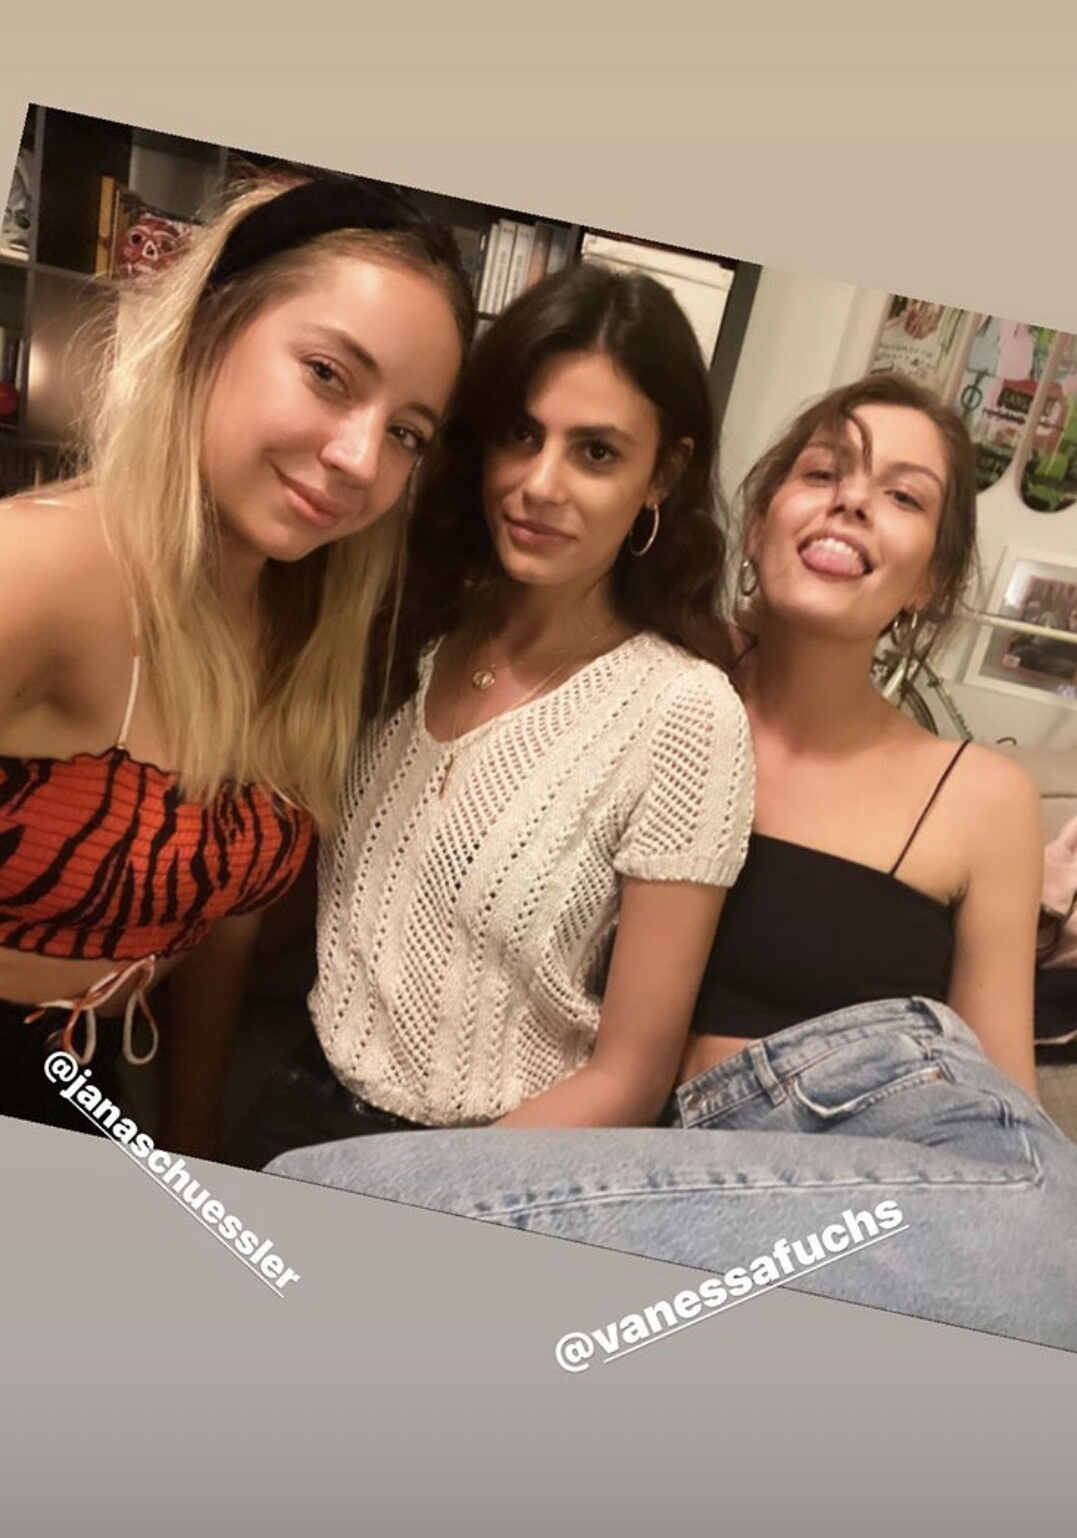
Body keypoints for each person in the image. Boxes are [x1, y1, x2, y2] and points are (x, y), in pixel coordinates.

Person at [268, 374, 1077, 1353]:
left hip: (860, 1193)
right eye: (822, 472)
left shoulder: (980, 794)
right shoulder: (632, 690)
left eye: (903, 496)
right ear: (759, 518)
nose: (852, 501)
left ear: (931, 581)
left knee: (1042, 1216)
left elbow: (1003, 1125)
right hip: (626, 1184)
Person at [231, 263, 753, 1167]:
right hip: (295, 1097)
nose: (539, 484)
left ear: (662, 474)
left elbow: (631, 1077)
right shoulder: (402, 625)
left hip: (490, 1166)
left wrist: (412, 1191)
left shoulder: (684, 714)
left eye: (596, 452)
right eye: (520, 434)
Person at [0, 174, 473, 1147]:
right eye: (329, 375)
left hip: (90, 1067)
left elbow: (222, 915)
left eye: (406, 433)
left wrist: (193, 1132)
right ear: (211, 326)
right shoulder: (45, 566)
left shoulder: (294, 620)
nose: (361, 460)